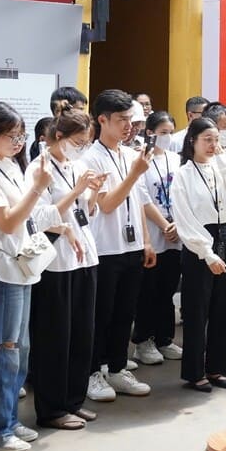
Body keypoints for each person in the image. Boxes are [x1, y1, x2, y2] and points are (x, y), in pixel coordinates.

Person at [0, 102, 72, 451]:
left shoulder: (9, 165)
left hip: (21, 267)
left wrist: (54, 215)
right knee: (0, 350)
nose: (18, 142)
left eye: (21, 136)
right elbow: (8, 222)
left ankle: (8, 421)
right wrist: (38, 188)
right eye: (12, 136)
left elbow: (27, 218)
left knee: (18, 349)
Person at [25, 104, 104, 430]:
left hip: (84, 254)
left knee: (81, 334)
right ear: (59, 136)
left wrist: (93, 194)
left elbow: (86, 213)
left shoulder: (75, 166)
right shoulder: (38, 168)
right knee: (54, 337)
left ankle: (74, 399)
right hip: (55, 261)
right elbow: (40, 217)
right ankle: (52, 409)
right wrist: (76, 191)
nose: (82, 148)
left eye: (86, 142)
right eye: (78, 141)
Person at [82, 90, 156, 402]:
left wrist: (147, 240)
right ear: (102, 120)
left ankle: (116, 367)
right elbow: (108, 204)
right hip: (105, 247)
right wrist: (134, 174)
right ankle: (93, 372)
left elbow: (137, 201)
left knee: (126, 311)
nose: (128, 126)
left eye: (131, 119)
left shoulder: (129, 155)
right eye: (121, 120)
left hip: (132, 245)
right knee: (102, 313)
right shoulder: (89, 157)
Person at [171, 116, 226, 391]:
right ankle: (194, 372)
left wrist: (224, 166)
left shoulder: (221, 166)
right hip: (198, 241)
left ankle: (218, 368)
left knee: (224, 307)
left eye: (216, 139)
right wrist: (207, 253)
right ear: (193, 141)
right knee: (197, 309)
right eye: (207, 140)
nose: (213, 145)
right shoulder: (184, 175)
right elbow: (184, 218)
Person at [131, 111, 183, 366]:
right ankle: (144, 340)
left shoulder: (176, 159)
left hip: (176, 234)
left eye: (170, 132)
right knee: (148, 291)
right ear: (150, 133)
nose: (167, 137)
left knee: (168, 289)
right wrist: (163, 224)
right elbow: (143, 199)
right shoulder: (142, 159)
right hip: (153, 232)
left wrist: (177, 225)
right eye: (162, 132)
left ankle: (165, 338)